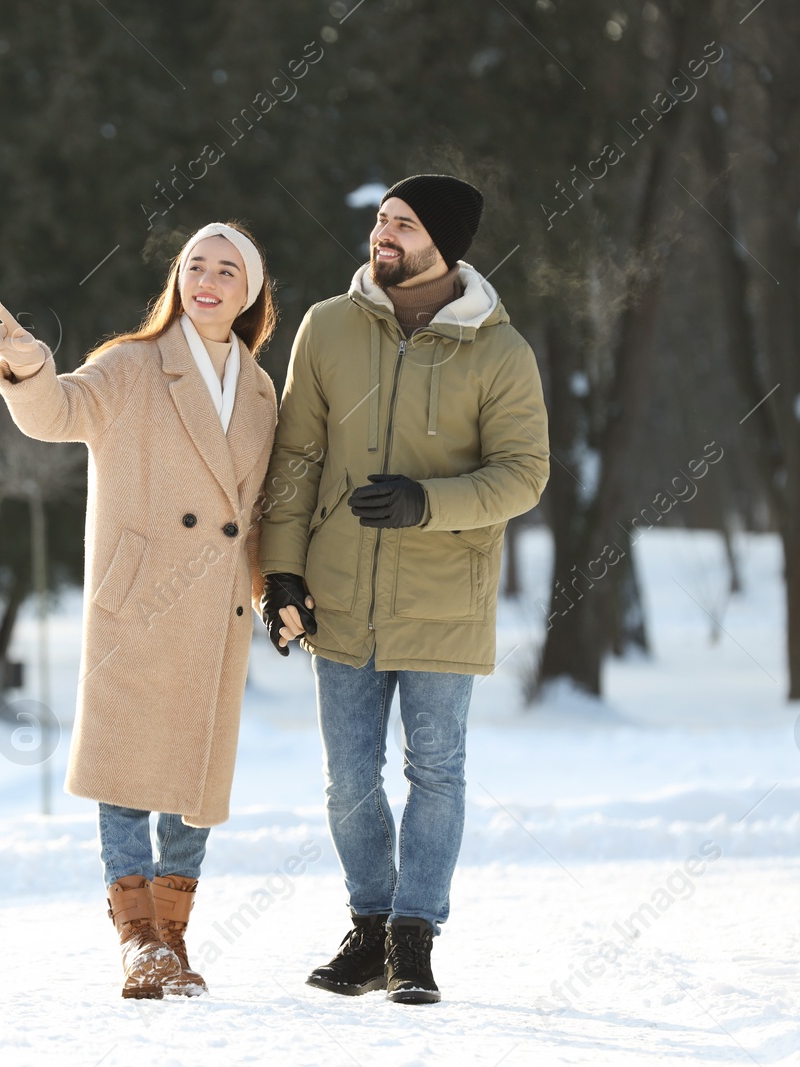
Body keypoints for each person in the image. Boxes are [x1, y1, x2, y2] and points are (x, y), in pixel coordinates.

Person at [257, 174, 550, 1004]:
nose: (384, 234)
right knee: (348, 777)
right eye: (382, 220)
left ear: (444, 244)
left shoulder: (499, 351)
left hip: (443, 597)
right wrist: (281, 569)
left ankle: (414, 936)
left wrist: (429, 503)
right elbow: (296, 461)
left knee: (437, 770)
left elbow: (525, 474)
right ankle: (369, 926)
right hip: (339, 591)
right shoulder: (327, 327)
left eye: (404, 224)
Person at [0, 222, 279, 1000]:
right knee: (125, 768)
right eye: (194, 265)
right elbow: (60, 413)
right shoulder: (131, 363)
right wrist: (30, 365)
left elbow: (262, 508)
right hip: (140, 600)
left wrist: (273, 586)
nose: (206, 280)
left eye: (226, 270)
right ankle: (136, 939)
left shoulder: (258, 388)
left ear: (250, 294)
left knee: (193, 779)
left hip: (217, 612)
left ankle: (174, 937)